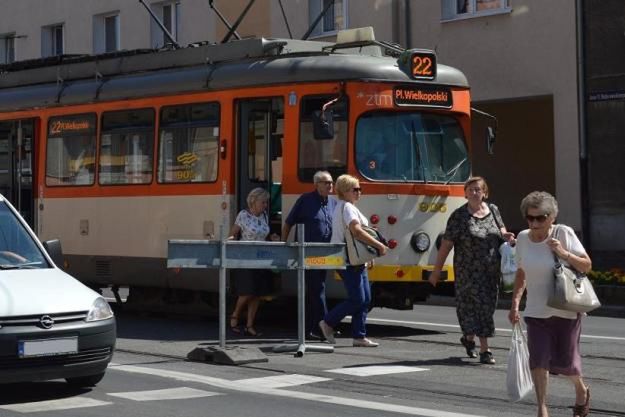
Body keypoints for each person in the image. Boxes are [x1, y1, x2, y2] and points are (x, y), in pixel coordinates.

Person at [508, 191, 591, 417]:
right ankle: (542, 408)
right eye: (530, 218)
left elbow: (586, 266)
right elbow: (521, 273)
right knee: (538, 360)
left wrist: (563, 253)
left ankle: (581, 389)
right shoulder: (523, 238)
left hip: (565, 310)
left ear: (552, 217)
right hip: (536, 311)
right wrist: (515, 303)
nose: (534, 223)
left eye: (540, 218)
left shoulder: (564, 233)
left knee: (566, 363)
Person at [429, 176, 514, 364]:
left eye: (478, 189)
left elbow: (501, 231)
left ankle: (469, 339)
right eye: (471, 190)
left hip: (491, 272)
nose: (475, 193)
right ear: (465, 193)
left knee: (487, 308)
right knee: (469, 309)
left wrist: (506, 236)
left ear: (485, 192)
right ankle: (485, 350)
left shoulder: (493, 210)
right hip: (467, 273)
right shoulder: (458, 216)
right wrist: (437, 270)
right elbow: (446, 245)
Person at [318, 174, 388, 347]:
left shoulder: (346, 206)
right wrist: (379, 246)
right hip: (348, 261)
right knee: (357, 299)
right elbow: (356, 231)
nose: (359, 192)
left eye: (359, 189)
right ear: (344, 191)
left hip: (355, 260)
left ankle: (359, 336)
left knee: (365, 299)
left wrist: (367, 255)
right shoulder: (347, 207)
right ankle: (327, 322)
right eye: (354, 189)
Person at [281, 170, 337, 340]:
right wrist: (285, 245)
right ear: (317, 184)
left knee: (318, 289)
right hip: (309, 253)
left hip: (327, 254)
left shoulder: (333, 202)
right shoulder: (305, 200)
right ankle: (321, 327)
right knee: (317, 289)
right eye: (326, 182)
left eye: (331, 182)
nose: (330, 185)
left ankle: (318, 326)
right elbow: (289, 222)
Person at [228, 187, 279, 337]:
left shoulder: (264, 216)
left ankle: (250, 325)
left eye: (266, 203)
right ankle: (235, 315)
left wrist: (273, 239)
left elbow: (265, 235)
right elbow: (233, 234)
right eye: (263, 202)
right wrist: (227, 246)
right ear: (253, 201)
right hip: (246, 258)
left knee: (257, 293)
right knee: (247, 291)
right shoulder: (243, 215)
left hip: (261, 258)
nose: (265, 205)